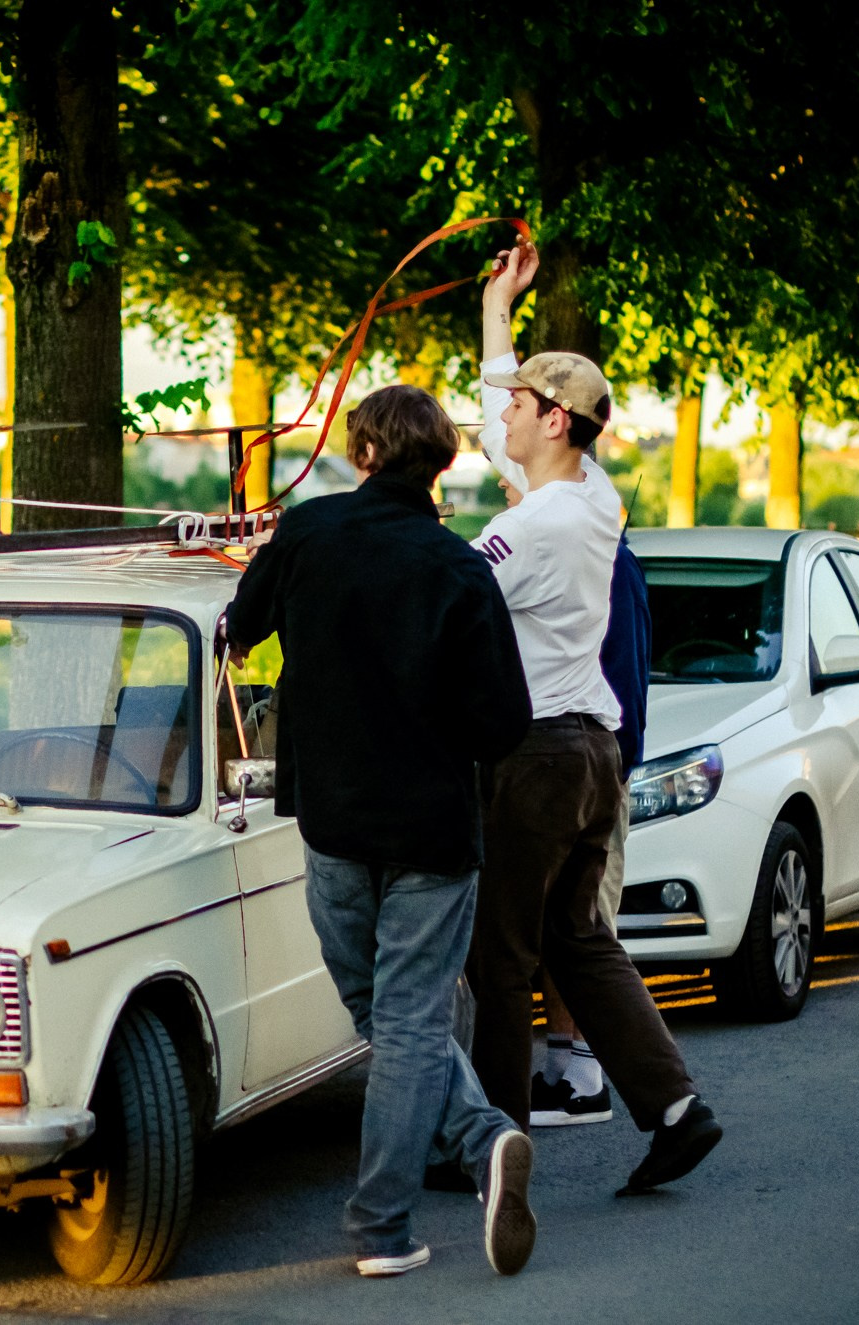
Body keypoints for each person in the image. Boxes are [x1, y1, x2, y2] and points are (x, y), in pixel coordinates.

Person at [227, 384, 538, 1279]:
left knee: (382, 1013)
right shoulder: (458, 568)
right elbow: (503, 724)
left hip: (330, 824)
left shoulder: (308, 533)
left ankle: (387, 1222)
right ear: (441, 465)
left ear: (361, 452)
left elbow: (241, 631)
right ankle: (477, 1148)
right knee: (403, 1019)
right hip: (434, 833)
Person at [468, 241, 722, 1194]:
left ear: (557, 419)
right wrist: (500, 311)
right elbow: (504, 417)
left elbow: (456, 593)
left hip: (534, 756)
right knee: (580, 938)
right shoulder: (590, 494)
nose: (504, 415)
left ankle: (494, 1144)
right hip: (593, 750)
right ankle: (676, 1108)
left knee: (504, 951)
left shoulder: (532, 527)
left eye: (523, 405)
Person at [494, 477, 654, 1126]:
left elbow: (608, 672)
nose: (511, 493)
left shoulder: (601, 564)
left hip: (585, 762)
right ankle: (566, 1067)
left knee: (581, 928)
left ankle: (588, 1076)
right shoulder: (607, 559)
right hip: (598, 761)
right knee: (570, 926)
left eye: (519, 487)